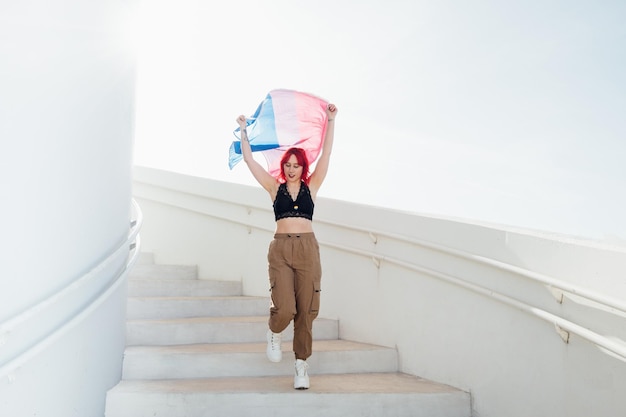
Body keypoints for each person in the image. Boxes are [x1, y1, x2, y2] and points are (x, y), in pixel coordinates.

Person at [235, 102, 337, 390]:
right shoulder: (273, 188)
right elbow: (250, 162)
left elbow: (326, 153)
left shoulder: (312, 187)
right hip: (280, 249)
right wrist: (244, 131)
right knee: (285, 309)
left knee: (306, 310)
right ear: (284, 167)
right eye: (288, 165)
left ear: (303, 167)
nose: (292, 169)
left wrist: (331, 121)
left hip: (307, 249)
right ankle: (274, 330)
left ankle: (301, 366)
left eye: (297, 165)